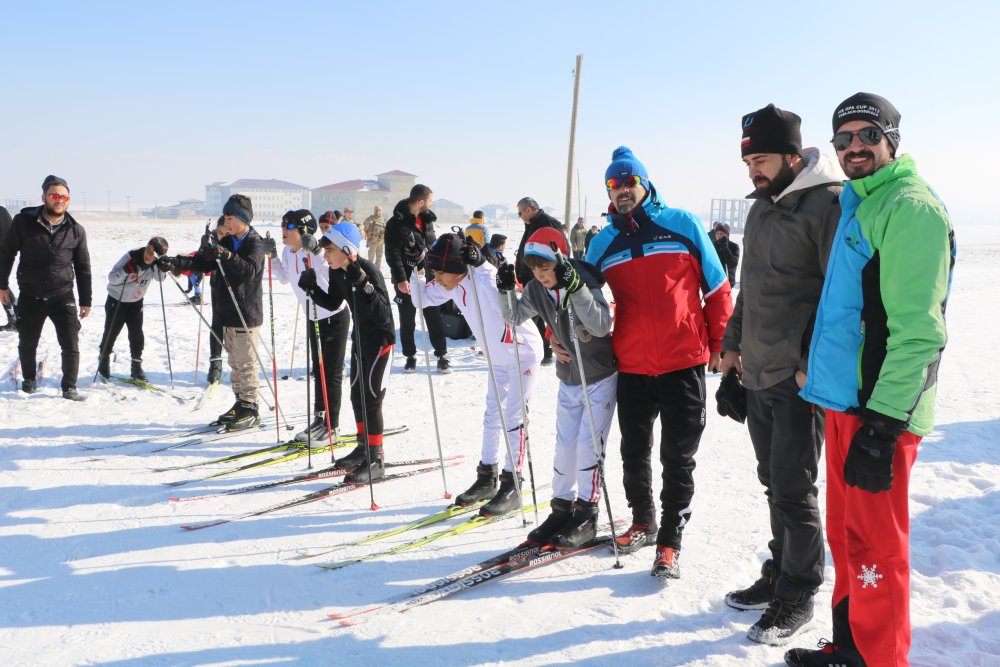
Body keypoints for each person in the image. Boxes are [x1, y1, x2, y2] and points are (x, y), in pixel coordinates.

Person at [786, 93, 955, 667]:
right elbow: (849, 309)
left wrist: (883, 425)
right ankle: (852, 646)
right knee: (848, 538)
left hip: (880, 412)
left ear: (892, 140)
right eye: (844, 139)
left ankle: (881, 659)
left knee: (876, 546)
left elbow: (919, 333)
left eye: (867, 135)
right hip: (845, 404)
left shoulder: (910, 208)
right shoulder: (860, 203)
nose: (855, 147)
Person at [719, 103, 844, 647]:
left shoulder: (828, 206)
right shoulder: (762, 209)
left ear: (794, 156)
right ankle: (780, 574)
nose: (753, 171)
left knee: (795, 490)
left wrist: (805, 367)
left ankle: (800, 591)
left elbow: (837, 298)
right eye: (749, 161)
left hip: (798, 379)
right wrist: (729, 346)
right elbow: (750, 288)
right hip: (757, 371)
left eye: (762, 160)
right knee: (775, 483)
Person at [586, 146, 732, 578]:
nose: (622, 191)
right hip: (630, 365)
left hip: (682, 361)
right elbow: (578, 295)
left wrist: (720, 342)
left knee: (677, 457)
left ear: (646, 184)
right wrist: (559, 335)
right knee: (634, 451)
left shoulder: (681, 225)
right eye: (614, 185)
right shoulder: (602, 242)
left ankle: (669, 542)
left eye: (629, 182)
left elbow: (718, 288)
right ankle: (643, 522)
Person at [411, 232, 543, 516]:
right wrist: (417, 269)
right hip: (497, 359)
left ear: (457, 268)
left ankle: (513, 483)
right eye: (435, 272)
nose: (437, 277)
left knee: (514, 418)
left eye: (440, 271)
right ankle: (487, 477)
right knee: (492, 416)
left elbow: (497, 278)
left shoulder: (481, 278)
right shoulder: (451, 284)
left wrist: (481, 261)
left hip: (522, 354)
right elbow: (420, 299)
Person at [500, 227, 616, 548]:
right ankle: (561, 508)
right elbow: (513, 317)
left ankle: (587, 515)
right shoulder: (538, 288)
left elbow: (601, 326)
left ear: (560, 260)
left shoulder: (583, 281)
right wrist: (506, 289)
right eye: (534, 269)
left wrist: (576, 288)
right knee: (564, 447)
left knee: (587, 446)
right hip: (568, 377)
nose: (540, 275)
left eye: (546, 267)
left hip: (598, 375)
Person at [298, 222, 395, 483]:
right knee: (356, 395)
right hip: (360, 338)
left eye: (329, 250)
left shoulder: (367, 270)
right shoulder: (337, 271)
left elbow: (383, 314)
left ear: (344, 250)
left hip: (380, 341)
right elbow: (333, 302)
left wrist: (362, 281)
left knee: (371, 398)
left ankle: (377, 459)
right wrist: (312, 288)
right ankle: (364, 448)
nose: (325, 255)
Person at [161, 194, 265, 430]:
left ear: (242, 218)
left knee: (246, 363)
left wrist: (227, 256)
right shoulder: (229, 241)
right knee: (235, 364)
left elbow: (248, 271)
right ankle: (240, 403)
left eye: (230, 218)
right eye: (226, 217)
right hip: (227, 312)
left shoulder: (254, 243)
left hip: (245, 314)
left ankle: (251, 407)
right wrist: (176, 263)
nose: (226, 222)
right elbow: (204, 262)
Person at [0, 175, 92, 400]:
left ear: (68, 200)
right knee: (27, 341)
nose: (59, 200)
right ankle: (29, 380)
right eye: (54, 195)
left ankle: (69, 387)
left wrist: (86, 299)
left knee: (70, 343)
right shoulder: (23, 222)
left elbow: (83, 267)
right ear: (44, 197)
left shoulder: (75, 230)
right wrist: (2, 284)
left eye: (63, 196)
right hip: (31, 294)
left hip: (62, 294)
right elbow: (7, 253)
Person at [268, 209, 350, 443]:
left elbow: (329, 272)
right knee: (318, 369)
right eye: (282, 226)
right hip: (313, 316)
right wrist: (273, 256)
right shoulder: (287, 251)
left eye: (288, 227)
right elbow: (284, 277)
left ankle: (332, 426)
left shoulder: (316, 253)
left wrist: (315, 250)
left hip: (333, 315)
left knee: (331, 372)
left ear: (303, 230)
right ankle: (320, 418)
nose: (283, 230)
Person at [384, 183, 451, 374]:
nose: (431, 203)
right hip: (406, 277)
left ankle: (441, 355)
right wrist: (400, 279)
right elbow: (392, 254)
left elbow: (433, 246)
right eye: (430, 200)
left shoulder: (427, 219)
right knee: (407, 319)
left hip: (429, 275)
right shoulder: (396, 223)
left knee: (434, 316)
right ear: (421, 202)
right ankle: (410, 356)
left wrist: (439, 271)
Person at [97, 236, 170, 382]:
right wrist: (125, 271)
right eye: (148, 251)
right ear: (147, 245)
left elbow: (160, 278)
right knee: (111, 332)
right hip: (116, 300)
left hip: (136, 302)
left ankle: (136, 366)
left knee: (136, 334)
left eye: (153, 255)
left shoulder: (155, 263)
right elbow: (112, 278)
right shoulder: (131, 256)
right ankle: (104, 359)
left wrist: (164, 268)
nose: (149, 256)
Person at [513, 197, 564, 366]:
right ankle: (543, 352)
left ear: (528, 210)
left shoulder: (548, 223)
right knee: (537, 318)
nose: (519, 216)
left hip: (543, 280)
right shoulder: (532, 224)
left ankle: (536, 352)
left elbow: (559, 253)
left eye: (520, 212)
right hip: (530, 277)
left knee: (532, 319)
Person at [0, 205, 16, 332]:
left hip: (3, 255)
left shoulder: (1, 212)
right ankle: (15, 315)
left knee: (2, 286)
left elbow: (9, 236)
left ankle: (13, 319)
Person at [712, 222, 740, 287]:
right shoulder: (714, 246)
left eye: (721, 234)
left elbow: (733, 263)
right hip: (715, 282)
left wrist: (725, 247)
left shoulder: (734, 246)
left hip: (727, 282)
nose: (719, 236)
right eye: (717, 233)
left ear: (727, 235)